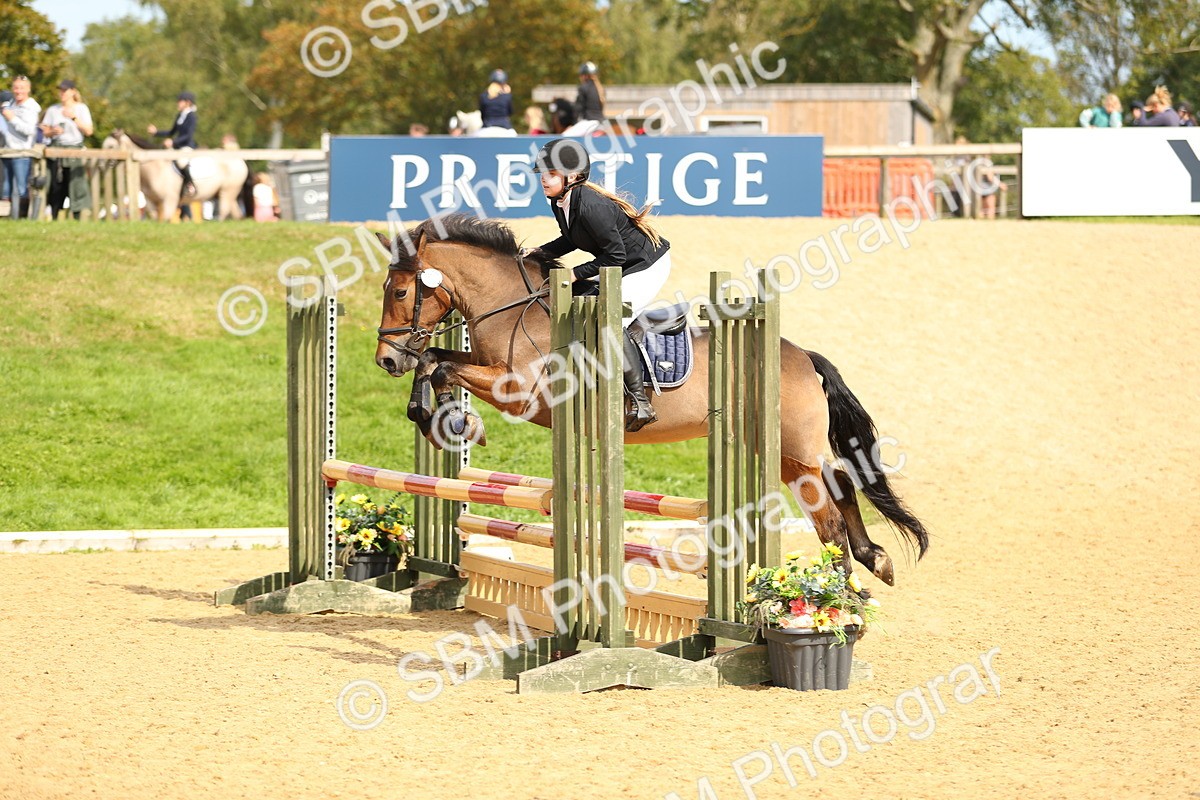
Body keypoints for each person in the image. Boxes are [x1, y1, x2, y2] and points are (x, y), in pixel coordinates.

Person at [529, 138, 671, 432]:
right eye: (543, 172)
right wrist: (537, 254)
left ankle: (641, 402)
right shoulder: (560, 202)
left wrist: (575, 274)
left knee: (610, 320)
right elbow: (570, 240)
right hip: (620, 263)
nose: (544, 178)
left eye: (551, 173)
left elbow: (616, 256)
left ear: (573, 176)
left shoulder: (592, 205)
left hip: (645, 267)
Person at [40, 80, 94, 220]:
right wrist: (52, 131)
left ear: (73, 91)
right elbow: (44, 130)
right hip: (56, 149)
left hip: (74, 150)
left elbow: (89, 131)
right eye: (61, 90)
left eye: (65, 90)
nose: (62, 93)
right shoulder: (53, 109)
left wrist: (73, 118)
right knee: (55, 184)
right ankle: (55, 214)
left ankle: (77, 216)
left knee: (76, 183)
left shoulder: (81, 108)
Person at [2, 76, 42, 220]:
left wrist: (11, 118)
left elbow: (29, 130)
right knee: (7, 189)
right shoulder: (11, 104)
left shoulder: (31, 108)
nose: (18, 91)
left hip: (22, 153)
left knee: (21, 188)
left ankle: (22, 217)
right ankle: (9, 217)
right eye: (16, 87)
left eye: (22, 87)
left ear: (28, 89)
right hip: (8, 151)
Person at [148, 91, 199, 198]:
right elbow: (171, 132)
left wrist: (173, 141)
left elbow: (188, 136)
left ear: (187, 103)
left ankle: (190, 185)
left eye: (180, 101)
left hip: (187, 146)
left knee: (182, 162)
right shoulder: (180, 116)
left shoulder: (192, 117)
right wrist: (156, 132)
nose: (178, 103)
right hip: (177, 147)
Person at [564, 62, 605, 136]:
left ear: (585, 76)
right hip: (601, 122)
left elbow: (578, 108)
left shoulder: (583, 87)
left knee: (565, 136)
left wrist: (573, 124)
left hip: (589, 122)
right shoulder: (601, 89)